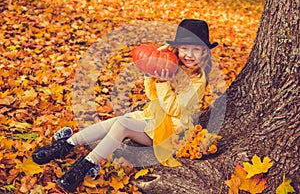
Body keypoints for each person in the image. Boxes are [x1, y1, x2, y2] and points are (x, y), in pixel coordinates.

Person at [32, 19, 218, 192]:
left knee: (122, 125)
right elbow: (152, 96)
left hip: (171, 133)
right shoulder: (172, 64)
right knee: (116, 122)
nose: (189, 54)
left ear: (204, 52)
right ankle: (66, 145)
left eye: (196, 49)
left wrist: (162, 82)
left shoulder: (197, 81)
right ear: (176, 48)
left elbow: (174, 109)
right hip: (154, 119)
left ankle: (84, 166)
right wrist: (153, 68)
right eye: (184, 48)